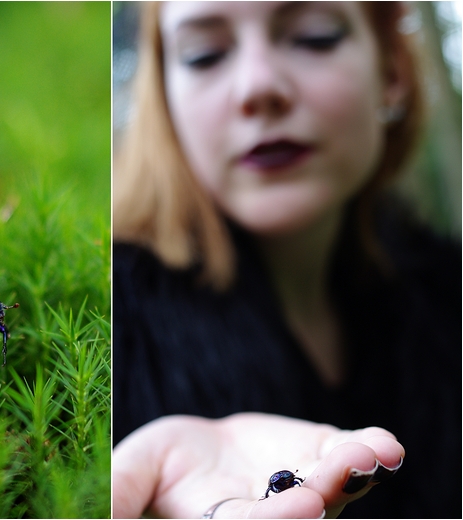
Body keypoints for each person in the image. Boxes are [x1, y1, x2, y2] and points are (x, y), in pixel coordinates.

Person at [112, 2, 460, 518]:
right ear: (164, 98)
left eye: (313, 37)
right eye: (204, 55)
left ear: (390, 70)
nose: (258, 87)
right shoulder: (117, 322)